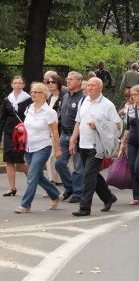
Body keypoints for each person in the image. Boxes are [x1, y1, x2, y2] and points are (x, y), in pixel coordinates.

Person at [68, 77, 120, 216]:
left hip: (97, 146)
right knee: (92, 175)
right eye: (88, 85)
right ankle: (109, 198)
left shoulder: (107, 105)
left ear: (100, 88)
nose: (89, 88)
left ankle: (84, 208)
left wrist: (98, 125)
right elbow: (78, 122)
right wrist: (73, 140)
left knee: (88, 176)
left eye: (93, 86)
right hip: (83, 144)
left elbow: (117, 125)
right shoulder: (84, 101)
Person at [13, 82, 63, 213]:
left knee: (32, 175)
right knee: (38, 176)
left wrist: (57, 149)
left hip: (43, 147)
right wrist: (21, 129)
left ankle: (25, 204)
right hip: (29, 147)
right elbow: (26, 125)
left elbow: (55, 132)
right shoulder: (29, 108)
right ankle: (55, 195)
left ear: (44, 95)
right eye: (32, 92)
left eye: (37, 92)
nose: (33, 94)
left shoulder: (49, 112)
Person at [55, 72, 86, 203]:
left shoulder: (83, 99)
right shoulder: (66, 96)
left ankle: (78, 193)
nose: (68, 81)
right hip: (64, 134)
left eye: (71, 79)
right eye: (67, 79)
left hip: (78, 136)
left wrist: (75, 136)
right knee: (59, 163)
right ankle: (69, 187)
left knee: (79, 167)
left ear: (79, 82)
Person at [0, 76, 31, 197]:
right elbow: (3, 118)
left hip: (21, 132)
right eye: (15, 83)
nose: (17, 85)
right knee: (9, 160)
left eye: (20, 83)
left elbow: (30, 116)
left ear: (23, 85)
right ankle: (11, 188)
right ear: (12, 84)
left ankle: (33, 180)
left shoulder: (28, 99)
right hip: (8, 132)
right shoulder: (7, 99)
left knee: (19, 160)